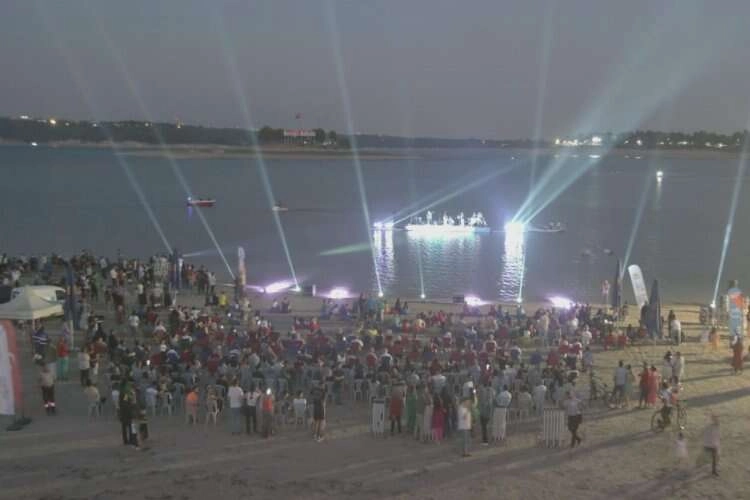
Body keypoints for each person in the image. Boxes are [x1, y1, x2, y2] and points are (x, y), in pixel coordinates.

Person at [477, 380, 494, 445]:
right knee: (486, 426)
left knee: (484, 427)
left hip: (483, 411)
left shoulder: (482, 391)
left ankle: (485, 440)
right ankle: (486, 439)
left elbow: (480, 400)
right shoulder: (492, 390)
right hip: (489, 411)